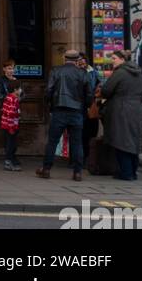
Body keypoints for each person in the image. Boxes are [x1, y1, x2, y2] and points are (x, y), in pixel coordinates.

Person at [36, 48, 94, 182]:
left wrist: (50, 105)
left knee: (52, 141)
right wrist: (84, 106)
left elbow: (48, 91)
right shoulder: (82, 73)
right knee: (77, 142)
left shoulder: (56, 71)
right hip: (77, 111)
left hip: (59, 110)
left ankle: (46, 169)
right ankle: (77, 172)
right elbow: (89, 94)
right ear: (77, 60)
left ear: (64, 58)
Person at [99, 49, 142, 182]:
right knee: (133, 140)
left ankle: (126, 173)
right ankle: (133, 172)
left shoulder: (120, 73)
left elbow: (106, 90)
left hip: (121, 109)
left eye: (114, 58)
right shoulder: (138, 73)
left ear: (122, 59)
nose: (112, 61)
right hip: (137, 109)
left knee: (121, 140)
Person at [0, 60, 23, 172]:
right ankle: (9, 159)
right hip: (7, 110)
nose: (11, 70)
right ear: (4, 69)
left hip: (15, 109)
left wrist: (18, 98)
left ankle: (12, 156)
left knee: (14, 135)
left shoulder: (17, 80)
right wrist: (10, 97)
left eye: (12, 68)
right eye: (8, 68)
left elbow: (22, 94)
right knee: (9, 135)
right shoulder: (1, 81)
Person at [77, 52, 101, 166]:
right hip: (79, 106)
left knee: (91, 132)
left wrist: (96, 94)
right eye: (79, 60)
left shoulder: (93, 72)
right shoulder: (74, 72)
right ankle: (78, 159)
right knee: (79, 133)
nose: (81, 62)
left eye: (83, 59)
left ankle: (88, 158)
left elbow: (100, 85)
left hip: (90, 106)